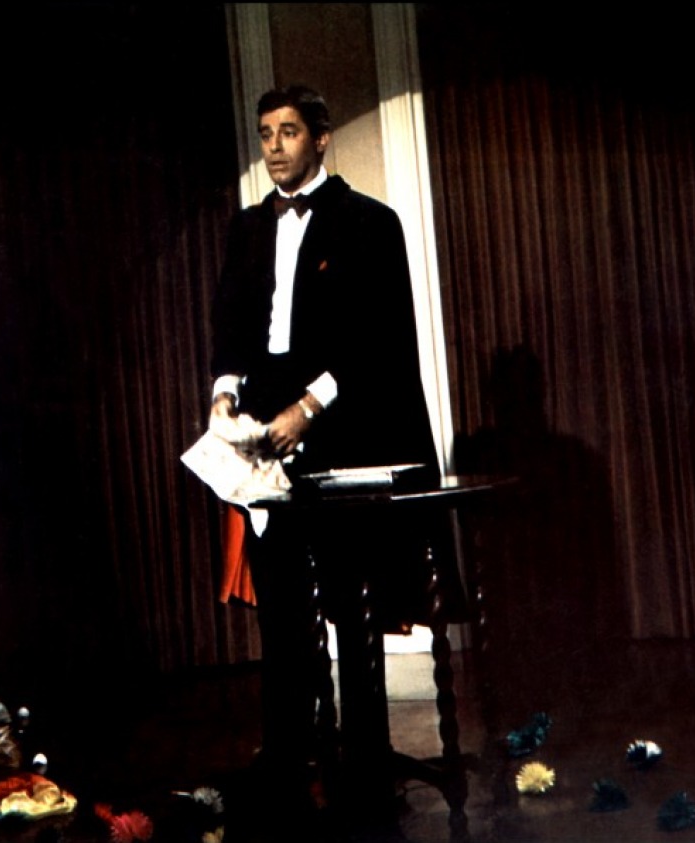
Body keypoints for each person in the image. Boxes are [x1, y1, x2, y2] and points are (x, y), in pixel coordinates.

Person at [207, 84, 456, 825]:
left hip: (345, 421)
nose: (274, 147)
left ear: (320, 138)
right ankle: (289, 759)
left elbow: (377, 340)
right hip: (264, 427)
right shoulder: (247, 229)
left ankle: (367, 763)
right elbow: (231, 326)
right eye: (265, 134)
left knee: (352, 596)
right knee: (281, 601)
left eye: (288, 132)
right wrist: (225, 396)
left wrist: (307, 409)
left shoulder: (369, 222)